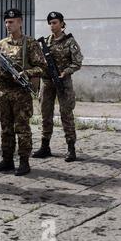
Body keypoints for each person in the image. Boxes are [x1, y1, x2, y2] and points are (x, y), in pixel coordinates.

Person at [0, 8, 46, 176]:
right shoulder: (1, 45)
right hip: (3, 93)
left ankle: (24, 161)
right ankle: (7, 159)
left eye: (12, 22)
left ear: (20, 22)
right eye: (6, 22)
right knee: (5, 128)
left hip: (20, 93)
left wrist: (26, 73)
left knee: (22, 128)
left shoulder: (30, 44)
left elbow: (42, 67)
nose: (8, 25)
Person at [32, 12, 83, 162]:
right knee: (45, 114)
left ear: (62, 23)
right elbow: (39, 61)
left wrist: (65, 72)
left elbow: (77, 62)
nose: (52, 26)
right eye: (50, 23)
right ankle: (45, 146)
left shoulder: (69, 41)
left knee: (66, 114)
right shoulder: (45, 42)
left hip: (63, 83)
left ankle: (71, 148)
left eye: (55, 22)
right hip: (47, 82)